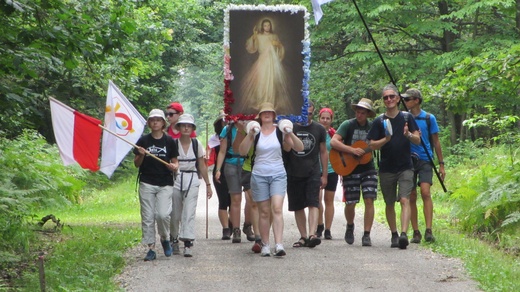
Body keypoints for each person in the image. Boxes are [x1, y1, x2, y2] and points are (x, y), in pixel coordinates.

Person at [239, 102, 304, 257]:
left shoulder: (279, 131)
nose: (267, 114)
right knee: (264, 212)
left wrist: (289, 132)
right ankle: (265, 245)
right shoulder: (256, 132)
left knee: (276, 208)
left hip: (278, 174)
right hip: (259, 174)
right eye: (264, 112)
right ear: (260, 116)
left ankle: (279, 244)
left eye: (270, 112)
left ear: (274, 115)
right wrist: (249, 134)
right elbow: (242, 151)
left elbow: (299, 147)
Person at [367, 84, 421, 249]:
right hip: (386, 168)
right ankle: (394, 234)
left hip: (405, 166)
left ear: (398, 99)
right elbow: (371, 145)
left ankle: (404, 234)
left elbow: (418, 139)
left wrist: (408, 135)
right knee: (389, 202)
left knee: (404, 199)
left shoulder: (407, 118)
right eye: (385, 97)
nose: (389, 99)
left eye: (392, 96)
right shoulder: (379, 121)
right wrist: (386, 140)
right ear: (383, 101)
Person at [330, 98, 378, 246]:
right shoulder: (347, 125)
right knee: (350, 203)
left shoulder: (373, 127)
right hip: (349, 168)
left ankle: (366, 234)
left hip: (368, 168)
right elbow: (333, 142)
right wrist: (352, 150)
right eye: (358, 112)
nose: (359, 115)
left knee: (369, 199)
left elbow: (378, 143)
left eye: (362, 112)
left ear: (368, 113)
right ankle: (350, 226)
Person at [133, 109, 179, 261]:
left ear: (163, 123)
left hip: (165, 183)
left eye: (158, 120)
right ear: (149, 123)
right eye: (152, 120)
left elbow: (175, 161)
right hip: (147, 182)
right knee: (147, 216)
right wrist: (140, 154)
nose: (155, 122)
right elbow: (137, 164)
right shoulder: (143, 141)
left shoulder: (169, 141)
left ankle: (165, 238)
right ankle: (151, 248)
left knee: (162, 214)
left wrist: (174, 166)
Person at [402, 88, 446, 243]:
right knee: (411, 195)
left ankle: (429, 230)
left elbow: (436, 141)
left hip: (425, 159)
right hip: (408, 160)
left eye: (408, 99)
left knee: (425, 192)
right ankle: (415, 232)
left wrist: (441, 164)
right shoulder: (403, 118)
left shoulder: (428, 118)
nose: (405, 102)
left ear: (417, 100)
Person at [285, 101, 328, 249]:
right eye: (304, 113)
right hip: (293, 171)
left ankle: (312, 234)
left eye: (309, 113)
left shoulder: (319, 129)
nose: (306, 116)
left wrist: (325, 174)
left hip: (313, 172)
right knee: (297, 205)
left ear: (313, 113)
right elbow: (286, 149)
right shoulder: (290, 127)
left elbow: (323, 151)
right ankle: (303, 236)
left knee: (313, 202)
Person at [170, 114, 212, 257]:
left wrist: (208, 184)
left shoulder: (196, 144)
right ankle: (174, 239)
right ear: (179, 127)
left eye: (189, 125)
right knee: (175, 212)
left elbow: (201, 164)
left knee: (189, 211)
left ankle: (188, 242)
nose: (186, 127)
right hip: (176, 178)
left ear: (192, 128)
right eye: (183, 125)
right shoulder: (173, 143)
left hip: (193, 177)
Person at [238, 19, 293, 114]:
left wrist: (278, 45)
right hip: (262, 61)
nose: (267, 27)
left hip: (272, 62)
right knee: (261, 81)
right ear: (262, 27)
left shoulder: (274, 36)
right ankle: (261, 102)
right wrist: (254, 36)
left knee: (271, 81)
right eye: (265, 25)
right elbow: (252, 48)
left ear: (270, 26)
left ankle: (270, 103)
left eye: (268, 25)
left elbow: (279, 49)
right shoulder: (258, 36)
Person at [214, 116, 246, 243]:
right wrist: (218, 169)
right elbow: (222, 151)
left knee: (251, 198)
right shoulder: (227, 129)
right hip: (231, 164)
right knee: (236, 198)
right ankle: (236, 229)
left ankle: (249, 224)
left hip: (248, 163)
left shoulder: (251, 127)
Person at [207, 112, 233, 240]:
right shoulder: (214, 138)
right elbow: (209, 153)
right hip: (220, 171)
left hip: (233, 169)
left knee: (234, 201)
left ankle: (233, 223)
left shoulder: (235, 134)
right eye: (223, 121)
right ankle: (226, 229)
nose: (226, 123)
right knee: (223, 201)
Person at [316, 107, 339, 239]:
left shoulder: (334, 134)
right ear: (319, 119)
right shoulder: (315, 132)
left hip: (332, 170)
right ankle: (319, 225)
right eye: (322, 118)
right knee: (317, 199)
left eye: (327, 118)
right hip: (317, 170)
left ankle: (328, 230)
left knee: (329, 200)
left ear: (331, 120)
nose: (325, 120)